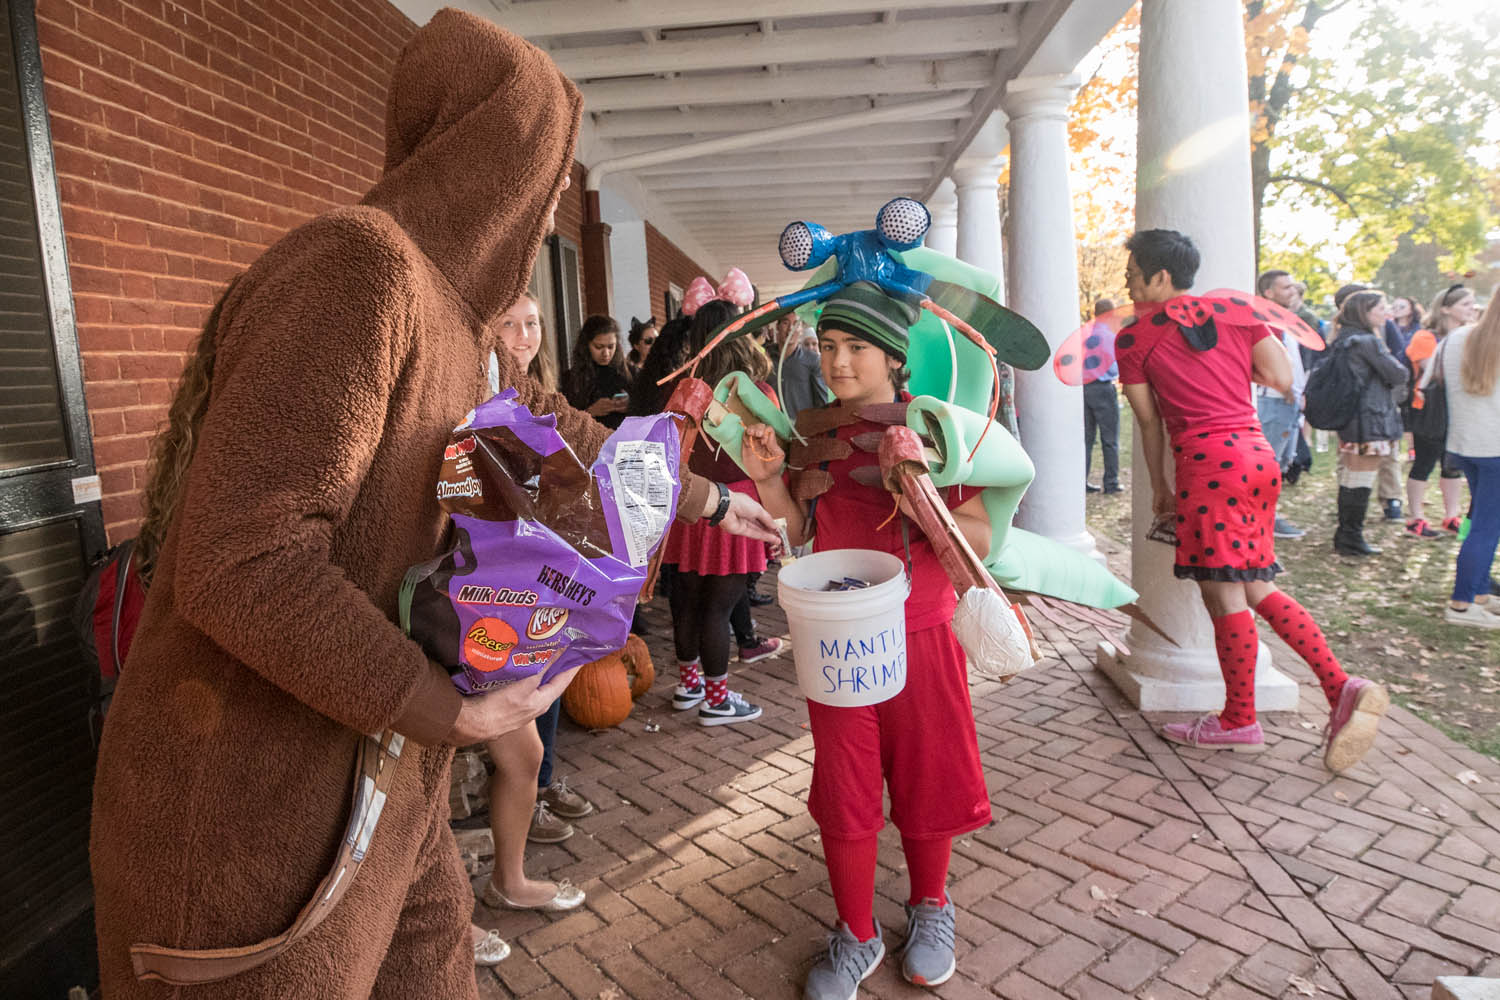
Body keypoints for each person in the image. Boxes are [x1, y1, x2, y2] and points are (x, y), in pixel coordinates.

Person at [89, 13, 780, 998]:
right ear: (489, 156)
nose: (547, 218)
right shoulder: (359, 268)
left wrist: (709, 497)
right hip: (249, 817)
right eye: (543, 173)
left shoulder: (455, 327)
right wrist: (447, 706)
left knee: (438, 957)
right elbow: (243, 562)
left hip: (380, 780)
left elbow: (548, 421)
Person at [741, 283, 994, 999]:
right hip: (835, 634)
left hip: (921, 629)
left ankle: (931, 906)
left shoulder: (940, 427)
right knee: (845, 785)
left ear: (893, 355)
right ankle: (855, 934)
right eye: (828, 347)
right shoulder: (812, 428)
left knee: (928, 773)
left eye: (856, 348)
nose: (839, 362)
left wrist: (917, 490)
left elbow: (976, 539)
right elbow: (796, 533)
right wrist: (767, 480)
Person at [1115, 230, 1387, 768]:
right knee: (1255, 583)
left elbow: (1149, 424)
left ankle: (1241, 719)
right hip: (1257, 458)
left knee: (1225, 596)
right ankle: (1338, 688)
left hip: (1207, 466)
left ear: (1160, 276)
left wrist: (1161, 488)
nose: (1128, 281)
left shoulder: (1134, 338)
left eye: (1133, 272)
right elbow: (1282, 377)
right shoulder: (1236, 311)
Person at [659, 283, 776, 727]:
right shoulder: (756, 391)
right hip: (736, 506)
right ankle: (717, 699)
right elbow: (771, 455)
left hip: (689, 504)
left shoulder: (683, 388)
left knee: (687, 603)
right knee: (719, 608)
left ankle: (689, 686)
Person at [1328, 290, 1410, 555]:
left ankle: (1347, 534)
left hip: (1353, 417)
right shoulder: (1368, 342)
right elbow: (1398, 373)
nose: (1386, 313)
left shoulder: (1344, 338)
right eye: (1380, 307)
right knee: (1361, 477)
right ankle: (1351, 537)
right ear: (1365, 312)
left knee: (1352, 476)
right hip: (1370, 418)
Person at [1441, 295, 1500, 628]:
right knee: (1486, 527)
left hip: (1466, 442)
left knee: (1482, 521)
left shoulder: (1458, 337)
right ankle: (1463, 604)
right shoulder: (1467, 337)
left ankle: (1477, 592)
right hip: (1493, 446)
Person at [1404, 284, 1479, 537]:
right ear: (1446, 309)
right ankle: (1416, 518)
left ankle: (1451, 515)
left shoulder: (1471, 336)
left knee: (1453, 466)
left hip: (1460, 410)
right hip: (1430, 411)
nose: (1473, 309)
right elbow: (1437, 371)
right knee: (1424, 463)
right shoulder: (1425, 337)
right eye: (1466, 304)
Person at [1252, 271, 1307, 538]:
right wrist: (1283, 387)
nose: (1292, 290)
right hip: (1273, 402)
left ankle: (1268, 515)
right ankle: (1261, 519)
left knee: (1280, 464)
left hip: (1288, 402)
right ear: (1269, 292)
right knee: (1267, 464)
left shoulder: (1285, 320)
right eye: (1285, 287)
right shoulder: (1265, 321)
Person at [1082, 297, 1124, 496]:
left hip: (1084, 389)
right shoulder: (1110, 337)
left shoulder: (1084, 335)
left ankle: (1082, 480)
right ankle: (1111, 481)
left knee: (1087, 439)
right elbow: (1115, 365)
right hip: (1104, 389)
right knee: (1110, 438)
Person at [562, 314, 631, 428]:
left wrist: (632, 405)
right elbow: (564, 423)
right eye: (599, 347)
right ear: (586, 345)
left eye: (611, 347)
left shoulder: (630, 372)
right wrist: (590, 412)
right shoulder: (570, 379)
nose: (606, 353)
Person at [775, 319, 833, 423]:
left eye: (796, 324)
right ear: (777, 326)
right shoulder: (765, 358)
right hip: (770, 428)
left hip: (801, 430)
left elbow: (822, 401)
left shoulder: (813, 360)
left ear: (801, 329)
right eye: (785, 322)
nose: (790, 329)